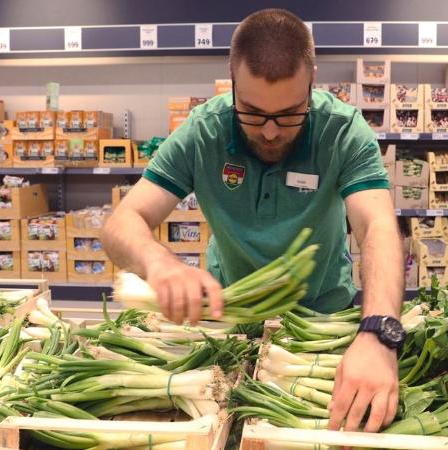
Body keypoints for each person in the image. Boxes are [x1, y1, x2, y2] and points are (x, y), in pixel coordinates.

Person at [102, 8, 405, 434]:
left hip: (322, 322)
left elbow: (377, 226)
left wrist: (378, 333)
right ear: (231, 81)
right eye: (251, 111)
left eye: (288, 114)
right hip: (229, 321)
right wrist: (159, 264)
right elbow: (123, 221)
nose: (268, 131)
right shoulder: (203, 131)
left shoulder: (342, 131)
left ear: (312, 81)